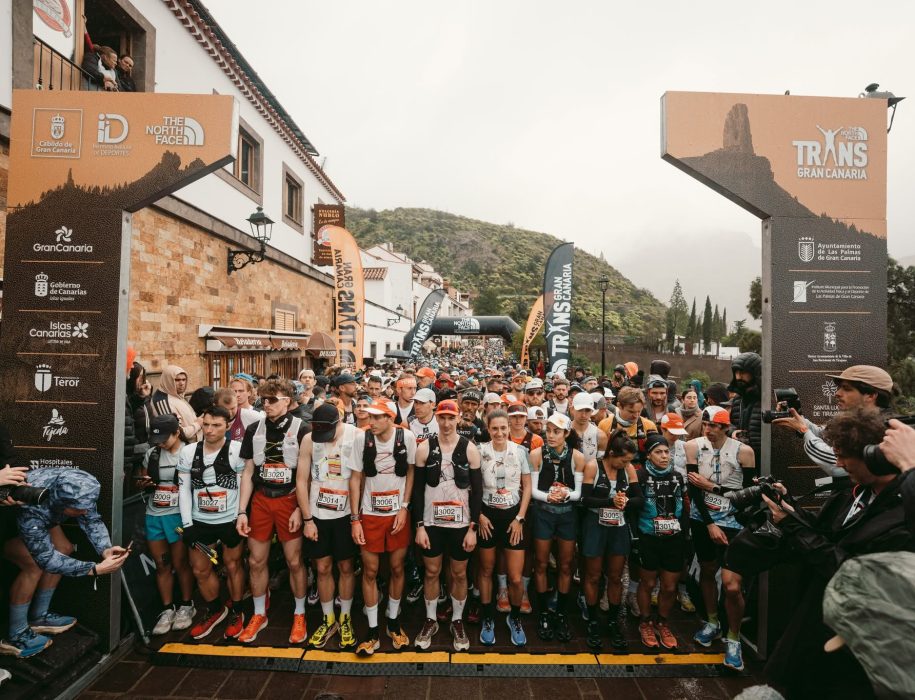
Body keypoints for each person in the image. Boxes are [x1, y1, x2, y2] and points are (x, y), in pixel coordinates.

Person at [725, 408, 915, 697]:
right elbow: (827, 537)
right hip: (813, 621)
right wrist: (790, 511)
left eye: (843, 456)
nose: (837, 463)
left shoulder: (900, 515)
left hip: (851, 646)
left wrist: (793, 527)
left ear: (874, 455)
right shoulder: (851, 492)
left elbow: (849, 573)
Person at [0, 468, 128, 658]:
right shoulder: (32, 506)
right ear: (60, 503)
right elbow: (46, 559)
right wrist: (93, 569)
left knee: (64, 548)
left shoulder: (81, 488)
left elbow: (90, 518)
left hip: (46, 517)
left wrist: (105, 548)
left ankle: (39, 617)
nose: (84, 510)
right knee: (33, 564)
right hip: (9, 525)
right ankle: (16, 634)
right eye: (78, 509)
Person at [235, 380, 310, 644]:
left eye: (272, 399)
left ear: (288, 401)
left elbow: (307, 476)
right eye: (263, 399)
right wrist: (241, 511)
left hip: (289, 499)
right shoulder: (254, 428)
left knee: (294, 561)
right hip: (262, 499)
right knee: (255, 560)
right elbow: (248, 472)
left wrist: (302, 509)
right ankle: (258, 613)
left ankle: (299, 613)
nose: (266, 404)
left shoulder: (302, 429)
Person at [686, 407, 755, 671]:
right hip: (703, 518)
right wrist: (710, 523)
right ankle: (712, 621)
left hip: (734, 521)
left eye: (715, 425)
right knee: (707, 570)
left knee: (732, 584)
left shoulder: (744, 451)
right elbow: (694, 489)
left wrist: (713, 487)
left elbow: (749, 492)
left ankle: (734, 638)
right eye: (706, 424)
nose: (709, 429)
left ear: (726, 427)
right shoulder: (693, 446)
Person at [412, 400, 482, 651]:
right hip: (432, 521)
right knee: (432, 572)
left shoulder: (470, 449)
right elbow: (417, 491)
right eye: (441, 417)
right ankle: (431, 618)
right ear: (436, 418)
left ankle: (457, 620)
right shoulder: (424, 448)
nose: (445, 423)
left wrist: (473, 528)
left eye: (450, 418)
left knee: (459, 573)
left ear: (458, 418)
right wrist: (419, 526)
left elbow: (477, 493)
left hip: (461, 523)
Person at [351, 400, 417, 654]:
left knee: (397, 568)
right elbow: (355, 478)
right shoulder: (362, 439)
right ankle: (371, 630)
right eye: (371, 417)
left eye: (378, 418)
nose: (372, 422)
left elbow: (410, 472)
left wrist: (404, 506)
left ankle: (393, 621)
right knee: (370, 570)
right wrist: (355, 518)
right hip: (369, 513)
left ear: (391, 418)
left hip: (397, 514)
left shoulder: (406, 437)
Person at [177, 406, 247, 640]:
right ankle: (216, 609)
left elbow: (243, 486)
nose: (209, 430)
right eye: (205, 424)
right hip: (200, 520)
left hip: (229, 520)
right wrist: (187, 524)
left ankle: (237, 611)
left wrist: (240, 516)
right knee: (200, 568)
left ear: (228, 426)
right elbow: (184, 489)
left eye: (216, 425)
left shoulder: (236, 450)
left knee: (233, 565)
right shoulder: (188, 452)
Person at [296, 404, 360, 650]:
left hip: (345, 512)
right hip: (318, 512)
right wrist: (307, 518)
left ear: (339, 419)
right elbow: (301, 480)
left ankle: (345, 617)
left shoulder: (356, 435)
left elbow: (359, 479)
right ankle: (328, 618)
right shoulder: (309, 439)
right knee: (322, 566)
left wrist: (356, 518)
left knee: (345, 566)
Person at [580, 430, 642, 650]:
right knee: (594, 575)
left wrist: (625, 502)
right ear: (612, 454)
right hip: (596, 525)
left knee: (615, 576)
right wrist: (609, 501)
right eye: (623, 460)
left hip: (618, 527)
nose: (626, 464)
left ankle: (614, 620)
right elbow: (585, 500)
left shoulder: (629, 469)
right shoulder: (593, 466)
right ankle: (594, 620)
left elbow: (639, 499)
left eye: (629, 461)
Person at [771, 365, 893, 475]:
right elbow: (824, 434)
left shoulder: (884, 429)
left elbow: (837, 465)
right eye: (839, 387)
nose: (837, 393)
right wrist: (796, 417)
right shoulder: (859, 421)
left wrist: (803, 430)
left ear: (871, 395)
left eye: (846, 388)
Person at [530, 412, 588, 642]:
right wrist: (548, 497)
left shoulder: (577, 457)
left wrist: (564, 495)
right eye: (548, 430)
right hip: (544, 514)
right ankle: (544, 612)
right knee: (541, 563)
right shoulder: (536, 454)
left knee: (565, 565)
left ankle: (562, 613)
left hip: (566, 516)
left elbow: (578, 493)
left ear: (566, 433)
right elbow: (533, 490)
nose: (551, 435)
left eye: (556, 431)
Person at [475, 410, 532, 647]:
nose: (499, 432)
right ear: (488, 429)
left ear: (509, 428)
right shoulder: (479, 451)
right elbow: (473, 487)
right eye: (494, 428)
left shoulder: (520, 452)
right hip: (487, 516)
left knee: (516, 578)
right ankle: (487, 618)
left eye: (503, 428)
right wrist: (478, 515)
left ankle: (515, 618)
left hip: (513, 518)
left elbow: (527, 487)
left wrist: (520, 518)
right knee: (486, 571)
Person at [135, 415, 195, 636]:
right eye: (156, 438)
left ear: (177, 433)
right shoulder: (152, 454)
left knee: (181, 563)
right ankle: (167, 608)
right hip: (154, 514)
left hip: (178, 515)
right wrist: (145, 483)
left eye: (164, 438)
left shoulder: (189, 452)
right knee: (162, 564)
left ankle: (186, 605)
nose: (160, 442)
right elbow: (143, 477)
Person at [634, 434, 688, 650]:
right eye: (658, 452)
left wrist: (684, 534)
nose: (664, 456)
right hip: (648, 536)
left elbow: (685, 505)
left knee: (669, 586)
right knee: (647, 583)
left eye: (666, 451)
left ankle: (662, 622)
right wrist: (635, 538)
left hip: (674, 537)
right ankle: (645, 622)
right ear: (649, 455)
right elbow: (634, 508)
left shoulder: (677, 476)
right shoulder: (639, 475)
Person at [137, 365, 201, 443]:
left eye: (184, 379)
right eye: (177, 380)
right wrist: (198, 424)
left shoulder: (177, 395)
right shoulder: (162, 401)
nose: (182, 383)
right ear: (168, 380)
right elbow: (175, 434)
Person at [728, 352, 762, 473]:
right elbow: (730, 423)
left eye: (743, 372)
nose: (739, 376)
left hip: (765, 460)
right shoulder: (738, 399)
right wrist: (733, 432)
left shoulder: (767, 398)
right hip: (741, 459)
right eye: (736, 372)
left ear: (755, 372)